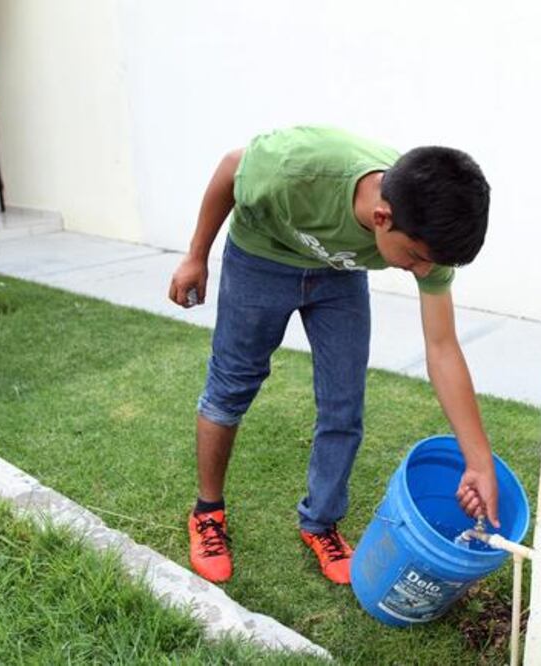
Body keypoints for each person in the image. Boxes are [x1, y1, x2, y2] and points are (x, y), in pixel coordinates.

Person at [169, 126, 498, 586]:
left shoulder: (426, 231)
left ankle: (320, 523)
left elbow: (442, 347)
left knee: (344, 403)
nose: (425, 271)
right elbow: (230, 168)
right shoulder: (297, 168)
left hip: (338, 274)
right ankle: (207, 514)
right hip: (263, 255)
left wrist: (478, 461)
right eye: (417, 258)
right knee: (231, 386)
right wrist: (195, 256)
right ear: (382, 217)